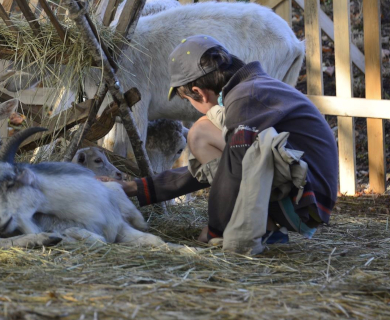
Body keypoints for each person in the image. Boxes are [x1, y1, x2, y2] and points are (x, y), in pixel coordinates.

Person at [111, 35, 338, 250]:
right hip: (309, 198)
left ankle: (264, 229)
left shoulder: (245, 97)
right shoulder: (253, 88)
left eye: (189, 101)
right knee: (214, 137)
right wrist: (135, 188)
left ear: (198, 92)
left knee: (200, 132)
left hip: (304, 202)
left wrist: (215, 229)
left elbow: (233, 166)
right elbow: (215, 170)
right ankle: (268, 228)